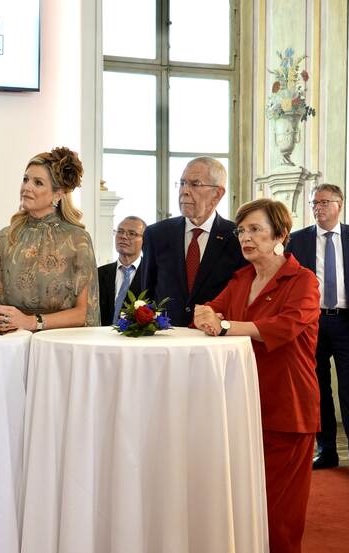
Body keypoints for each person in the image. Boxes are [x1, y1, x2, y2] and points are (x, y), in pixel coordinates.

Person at [194, 199, 319, 553]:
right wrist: (206, 314)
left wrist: (226, 325)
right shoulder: (242, 278)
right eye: (241, 231)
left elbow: (284, 326)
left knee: (278, 512)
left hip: (286, 406)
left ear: (280, 234)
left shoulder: (303, 281)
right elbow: (209, 311)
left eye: (255, 230)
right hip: (241, 403)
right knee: (243, 505)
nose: (245, 238)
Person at [287, 183, 349, 487]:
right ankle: (326, 450)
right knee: (318, 392)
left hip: (348, 324)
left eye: (325, 202)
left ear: (339, 204)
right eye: (314, 203)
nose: (318, 208)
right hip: (311, 324)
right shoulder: (299, 240)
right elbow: (283, 276)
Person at [0, 147, 99, 331]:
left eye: (38, 182)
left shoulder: (78, 240)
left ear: (58, 194)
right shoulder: (6, 237)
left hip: (58, 345)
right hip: (14, 343)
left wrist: (33, 322)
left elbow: (84, 313)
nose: (26, 187)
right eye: (25, 179)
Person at [141, 157, 246, 326]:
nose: (185, 191)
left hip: (215, 341)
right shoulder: (156, 234)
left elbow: (242, 295)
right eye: (182, 183)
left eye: (195, 184)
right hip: (166, 340)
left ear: (217, 194)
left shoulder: (237, 237)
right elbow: (145, 292)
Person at [98, 216, 146, 325]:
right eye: (120, 231)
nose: (123, 237)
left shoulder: (152, 274)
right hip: (102, 337)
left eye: (132, 233)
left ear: (144, 240)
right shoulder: (99, 274)